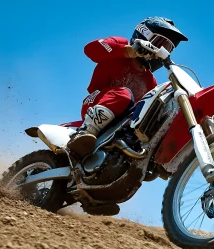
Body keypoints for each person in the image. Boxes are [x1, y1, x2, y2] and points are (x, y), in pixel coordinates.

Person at [66, 16, 188, 160]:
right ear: (144, 34)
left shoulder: (150, 81)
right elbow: (91, 49)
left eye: (167, 48)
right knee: (124, 94)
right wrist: (129, 51)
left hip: (122, 126)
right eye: (159, 43)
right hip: (94, 103)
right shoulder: (121, 44)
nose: (160, 51)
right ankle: (86, 132)